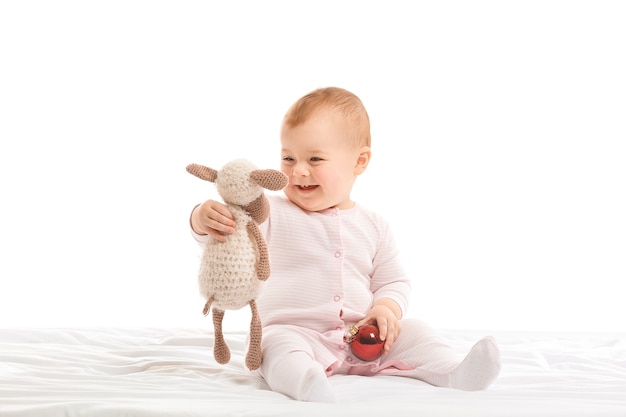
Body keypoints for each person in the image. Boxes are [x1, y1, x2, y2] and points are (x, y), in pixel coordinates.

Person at [189, 87, 501, 402]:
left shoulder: (374, 225)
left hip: (366, 338)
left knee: (416, 330)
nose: (298, 170)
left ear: (359, 161)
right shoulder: (270, 211)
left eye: (315, 159)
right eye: (288, 157)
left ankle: (455, 372)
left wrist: (385, 309)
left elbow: (393, 281)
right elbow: (231, 235)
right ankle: (305, 382)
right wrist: (202, 220)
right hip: (297, 333)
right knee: (275, 346)